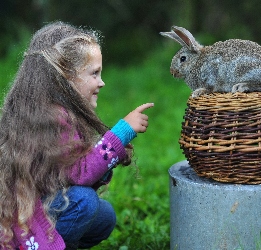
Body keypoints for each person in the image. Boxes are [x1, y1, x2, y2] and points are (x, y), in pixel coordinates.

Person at [0, 21, 154, 249]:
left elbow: (66, 176)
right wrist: (122, 133)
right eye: (94, 73)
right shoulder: (53, 116)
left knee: (104, 217)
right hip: (26, 218)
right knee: (85, 202)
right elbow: (80, 173)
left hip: (38, 207)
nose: (102, 82)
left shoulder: (41, 110)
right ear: (66, 76)